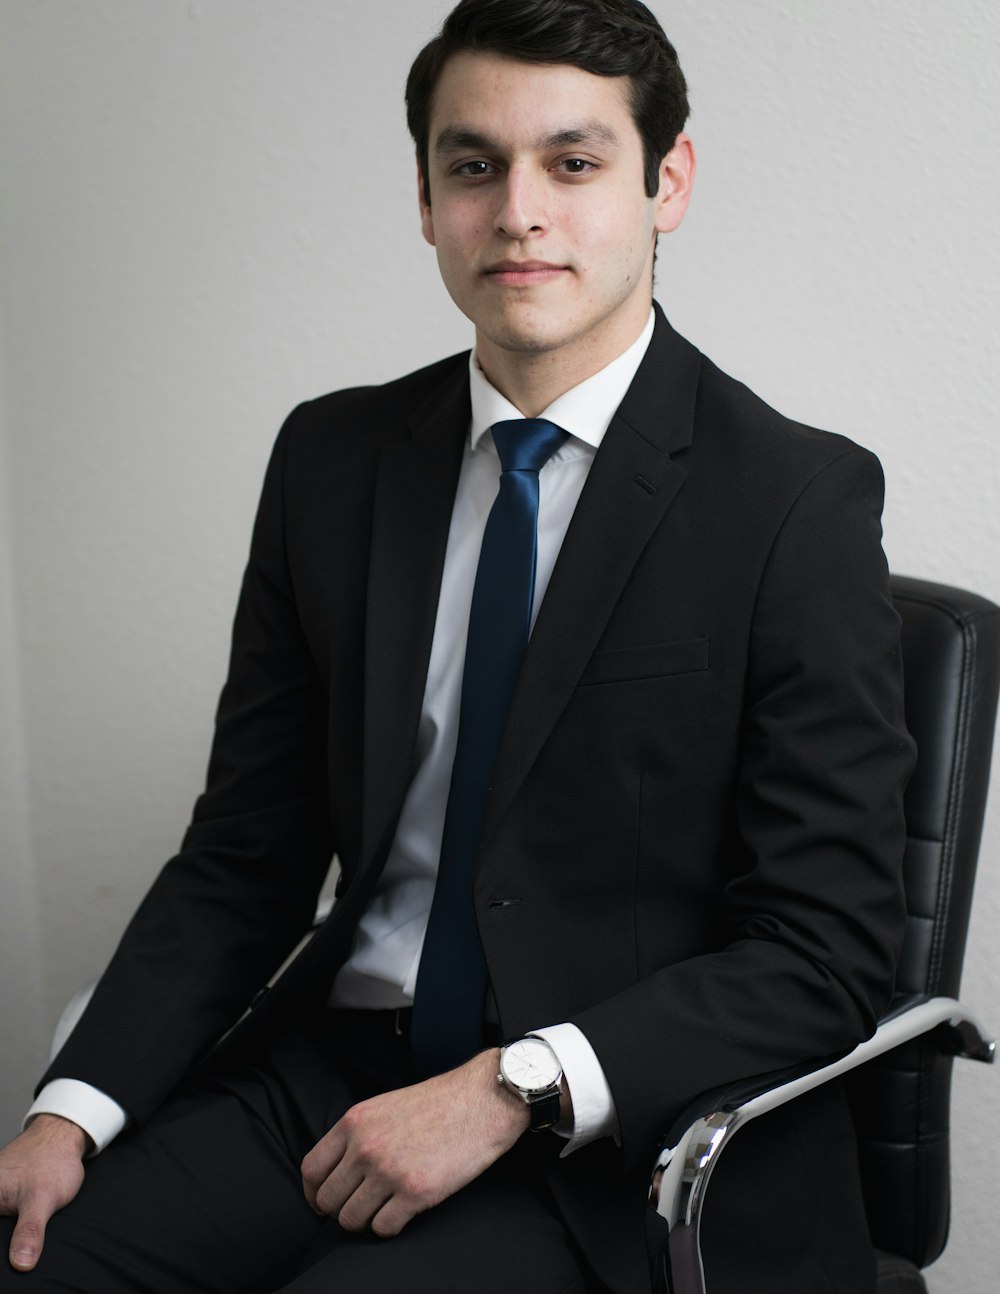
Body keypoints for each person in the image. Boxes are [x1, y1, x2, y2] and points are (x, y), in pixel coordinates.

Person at [0, 2, 915, 1291]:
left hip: (615, 1135)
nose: (519, 210)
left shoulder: (793, 502)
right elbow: (244, 854)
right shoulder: (332, 459)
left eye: (575, 162)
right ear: (427, 199)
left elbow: (825, 950)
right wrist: (72, 1106)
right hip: (337, 1067)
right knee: (40, 1261)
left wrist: (510, 1086)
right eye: (473, 164)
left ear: (669, 181)